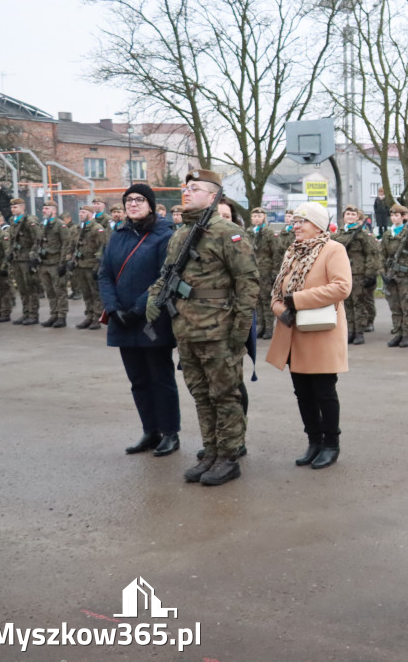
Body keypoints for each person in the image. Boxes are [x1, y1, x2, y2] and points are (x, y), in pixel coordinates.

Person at [146, 170, 259, 486]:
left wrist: (240, 328)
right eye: (185, 188)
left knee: (225, 395)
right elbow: (167, 274)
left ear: (213, 197)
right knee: (201, 395)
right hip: (187, 329)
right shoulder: (181, 233)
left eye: (194, 188)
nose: (186, 192)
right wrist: (154, 297)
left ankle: (229, 456)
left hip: (218, 329)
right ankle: (210, 451)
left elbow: (248, 281)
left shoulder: (228, 232)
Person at [266, 201, 352, 469]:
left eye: (302, 221)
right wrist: (280, 308)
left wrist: (297, 300)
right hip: (294, 332)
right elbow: (277, 292)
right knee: (302, 392)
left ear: (317, 224)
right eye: (295, 221)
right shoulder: (293, 252)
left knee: (324, 391)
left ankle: (331, 444)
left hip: (321, 332)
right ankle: (314, 441)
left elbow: (341, 287)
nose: (296, 225)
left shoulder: (333, 249)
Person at [99, 183, 182, 457]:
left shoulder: (163, 235)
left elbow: (164, 277)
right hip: (121, 319)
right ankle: (150, 431)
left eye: (139, 200)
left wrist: (136, 310)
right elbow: (105, 274)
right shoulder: (118, 234)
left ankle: (170, 432)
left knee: (161, 378)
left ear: (150, 204)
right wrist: (112, 308)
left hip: (150, 319)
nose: (132, 204)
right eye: (128, 200)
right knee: (138, 380)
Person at [332, 205, 381, 345]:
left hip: (357, 273)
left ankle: (359, 332)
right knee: (346, 303)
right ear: (344, 216)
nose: (350, 216)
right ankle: (350, 331)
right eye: (348, 214)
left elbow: (371, 254)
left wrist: (370, 273)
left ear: (358, 217)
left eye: (353, 215)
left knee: (358, 302)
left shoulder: (363, 234)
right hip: (341, 272)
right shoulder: (338, 234)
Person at [381, 204, 408, 347]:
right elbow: (381, 255)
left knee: (407, 307)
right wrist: (383, 273)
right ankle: (398, 332)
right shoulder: (387, 235)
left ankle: (406, 335)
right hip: (392, 276)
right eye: (392, 215)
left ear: (403, 217)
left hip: (405, 276)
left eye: (397, 215)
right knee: (395, 307)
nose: (394, 218)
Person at [69, 204, 109, 330]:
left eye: (84, 212)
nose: (81, 214)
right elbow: (72, 246)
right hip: (80, 265)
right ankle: (89, 316)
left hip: (91, 265)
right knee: (86, 293)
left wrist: (98, 266)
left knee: (95, 293)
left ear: (90, 214)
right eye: (80, 212)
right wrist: (69, 260)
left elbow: (102, 247)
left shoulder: (97, 228)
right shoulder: (77, 228)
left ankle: (97, 318)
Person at [34, 202, 74, 328]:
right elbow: (38, 242)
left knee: (60, 290)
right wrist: (34, 257)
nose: (44, 210)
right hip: (44, 263)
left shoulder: (60, 225)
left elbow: (66, 244)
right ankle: (54, 314)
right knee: (49, 291)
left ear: (54, 211)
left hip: (56, 263)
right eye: (44, 208)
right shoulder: (42, 225)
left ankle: (61, 316)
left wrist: (63, 263)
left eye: (47, 208)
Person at [6, 198, 40, 325]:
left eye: (15, 207)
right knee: (21, 288)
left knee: (30, 287)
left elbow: (37, 240)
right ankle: (25, 313)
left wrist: (33, 256)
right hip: (16, 259)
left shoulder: (29, 222)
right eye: (12, 207)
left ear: (22, 207)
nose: (13, 209)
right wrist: (9, 253)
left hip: (26, 259)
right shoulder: (12, 221)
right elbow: (11, 239)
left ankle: (33, 314)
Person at [248, 207, 280, 339]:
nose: (256, 219)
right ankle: (260, 326)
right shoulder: (249, 232)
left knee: (266, 300)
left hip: (266, 271)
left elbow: (276, 253)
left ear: (264, 218)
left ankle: (269, 328)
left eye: (259, 216)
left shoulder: (269, 233)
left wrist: (275, 272)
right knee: (256, 300)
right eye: (254, 216)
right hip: (252, 271)